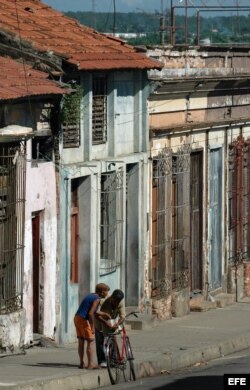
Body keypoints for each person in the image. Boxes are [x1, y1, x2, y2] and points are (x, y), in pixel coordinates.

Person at [74, 283, 110, 369]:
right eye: (106, 292)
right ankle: (90, 364)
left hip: (77, 318)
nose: (107, 294)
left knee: (81, 341)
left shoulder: (91, 296)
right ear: (102, 292)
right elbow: (90, 314)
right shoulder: (97, 299)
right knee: (91, 341)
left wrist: (104, 314)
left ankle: (82, 363)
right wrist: (92, 326)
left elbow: (93, 311)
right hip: (84, 320)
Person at [95, 289, 126, 368]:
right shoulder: (104, 303)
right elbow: (97, 315)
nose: (116, 303)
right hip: (100, 321)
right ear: (112, 297)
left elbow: (122, 316)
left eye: (118, 302)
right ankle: (102, 361)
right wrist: (106, 323)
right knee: (100, 340)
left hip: (111, 321)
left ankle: (113, 360)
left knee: (112, 338)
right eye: (115, 301)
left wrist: (117, 323)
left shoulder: (120, 303)